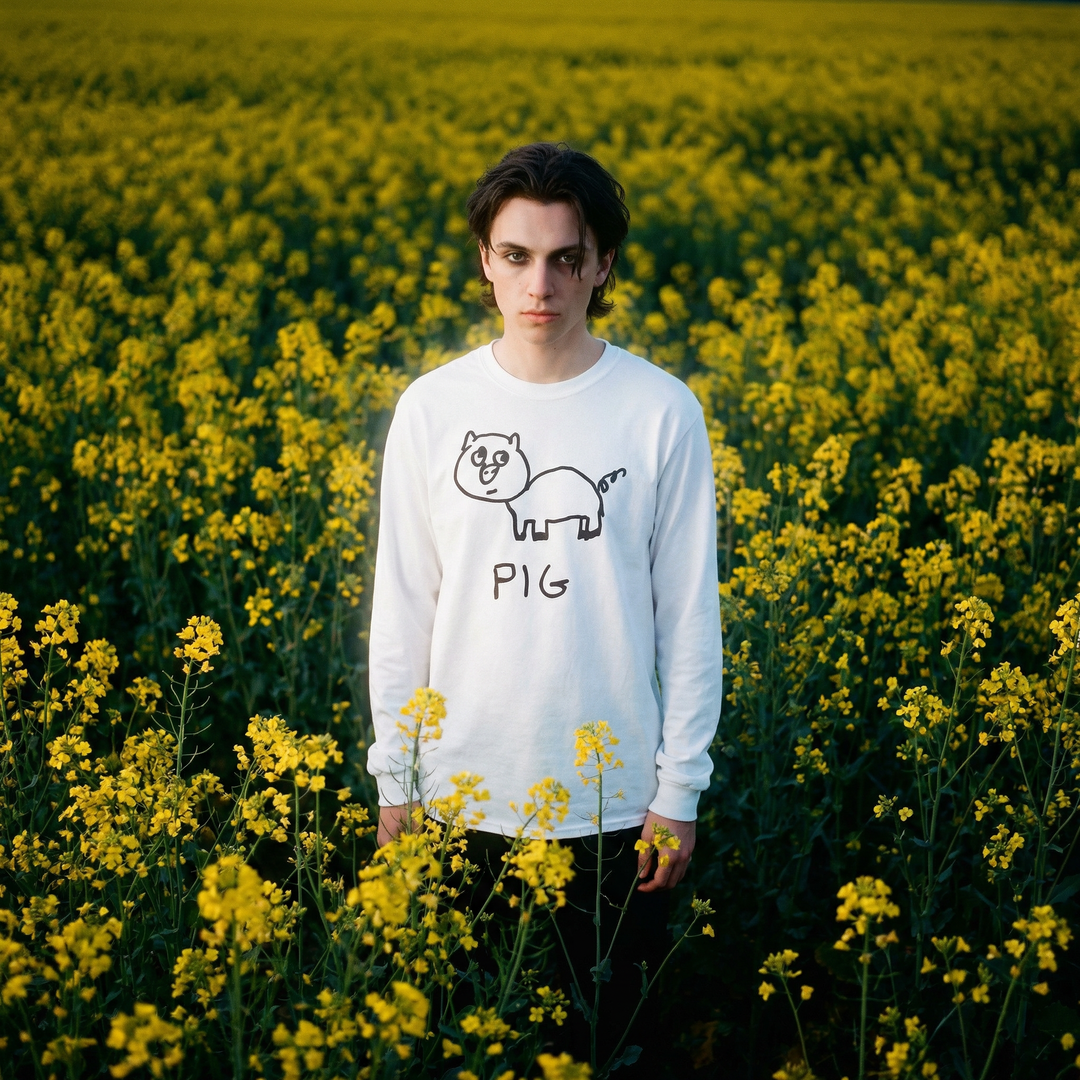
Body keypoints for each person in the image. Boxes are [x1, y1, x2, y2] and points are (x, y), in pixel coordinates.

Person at [366, 142, 723, 1064]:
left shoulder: (661, 410)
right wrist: (395, 777)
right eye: (517, 255)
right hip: (457, 798)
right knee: (461, 1047)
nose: (542, 283)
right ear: (486, 259)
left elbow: (687, 616)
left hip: (613, 812)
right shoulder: (433, 409)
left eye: (568, 257)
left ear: (603, 265)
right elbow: (404, 605)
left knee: (599, 1046)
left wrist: (678, 789)